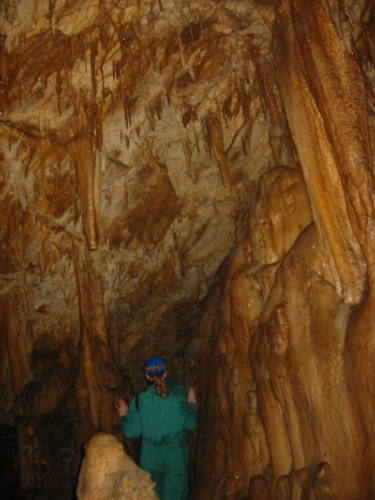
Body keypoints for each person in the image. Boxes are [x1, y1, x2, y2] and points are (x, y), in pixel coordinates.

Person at [116, 355, 197, 500]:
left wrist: (123, 416)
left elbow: (131, 432)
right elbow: (191, 423)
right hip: (174, 458)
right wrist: (191, 405)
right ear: (165, 373)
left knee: (151, 495)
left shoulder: (139, 401)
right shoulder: (178, 398)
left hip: (150, 460)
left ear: (147, 376)